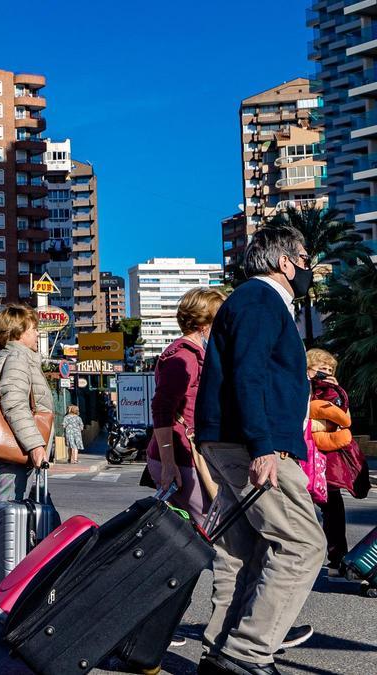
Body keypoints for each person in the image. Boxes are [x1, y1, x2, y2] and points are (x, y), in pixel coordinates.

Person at [194, 226, 323, 674]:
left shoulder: (251, 301)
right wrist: (263, 447)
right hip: (252, 444)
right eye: (304, 259)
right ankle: (247, 653)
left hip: (233, 440)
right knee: (303, 544)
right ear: (285, 262)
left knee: (243, 548)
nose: (308, 268)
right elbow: (249, 375)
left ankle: (221, 651)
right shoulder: (261, 301)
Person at [0, 305, 53, 613]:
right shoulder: (18, 358)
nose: (36, 333)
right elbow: (15, 404)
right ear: (18, 332)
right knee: (4, 521)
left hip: (8, 452)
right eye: (32, 328)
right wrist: (35, 445)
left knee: (3, 520)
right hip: (10, 453)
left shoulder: (11, 356)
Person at [146, 287, 226, 528]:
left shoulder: (197, 354)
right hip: (181, 457)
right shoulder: (183, 357)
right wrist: (168, 464)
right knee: (212, 528)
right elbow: (162, 409)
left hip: (188, 455)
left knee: (207, 527)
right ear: (203, 324)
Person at [305, 348, 369, 577]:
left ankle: (337, 558)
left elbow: (341, 418)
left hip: (327, 459)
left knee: (333, 509)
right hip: (303, 457)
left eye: (330, 369)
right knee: (299, 509)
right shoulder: (299, 386)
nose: (326, 372)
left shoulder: (333, 392)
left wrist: (336, 389)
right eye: (321, 368)